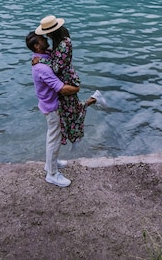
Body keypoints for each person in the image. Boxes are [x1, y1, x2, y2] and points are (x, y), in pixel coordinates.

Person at [34, 14, 107, 146]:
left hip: (68, 80)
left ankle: (75, 138)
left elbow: (57, 67)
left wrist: (42, 60)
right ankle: (74, 137)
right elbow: (56, 59)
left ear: (52, 32)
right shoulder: (59, 41)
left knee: (72, 110)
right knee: (70, 110)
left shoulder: (64, 43)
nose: (47, 37)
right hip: (63, 79)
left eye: (47, 34)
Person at [26, 30, 80, 188]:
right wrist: (77, 88)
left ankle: (51, 162)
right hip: (52, 107)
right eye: (42, 39)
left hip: (48, 104)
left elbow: (56, 58)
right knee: (54, 139)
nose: (45, 39)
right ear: (37, 46)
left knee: (53, 136)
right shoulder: (42, 68)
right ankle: (52, 174)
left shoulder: (42, 56)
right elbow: (62, 89)